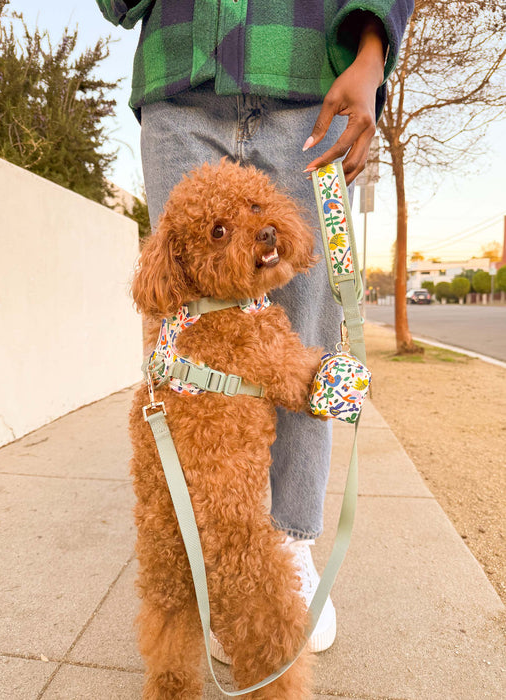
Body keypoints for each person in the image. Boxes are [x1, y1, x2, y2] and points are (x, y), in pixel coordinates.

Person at [96, 0, 414, 657]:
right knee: (182, 345)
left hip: (313, 88)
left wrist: (371, 55)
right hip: (178, 84)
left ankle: (287, 539)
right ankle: (194, 542)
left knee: (303, 319)